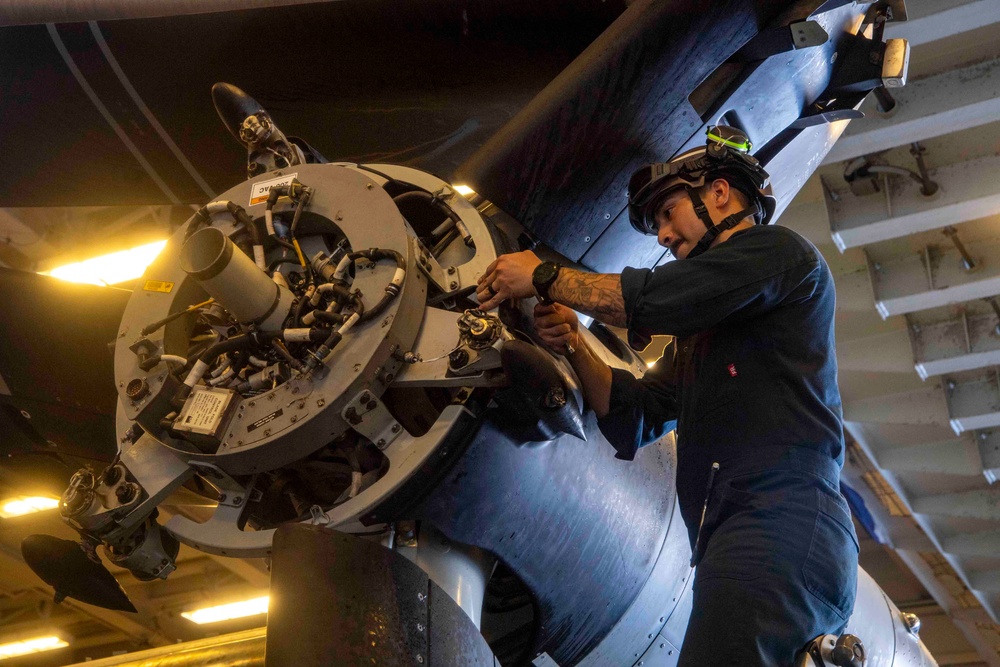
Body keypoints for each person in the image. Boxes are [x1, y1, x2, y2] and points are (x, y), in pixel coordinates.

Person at [475, 126, 859, 667]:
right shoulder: (706, 334)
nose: (660, 235)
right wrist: (576, 342)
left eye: (667, 212)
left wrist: (542, 276)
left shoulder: (779, 254)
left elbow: (661, 299)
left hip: (780, 522)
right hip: (739, 534)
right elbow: (636, 411)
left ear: (719, 193)